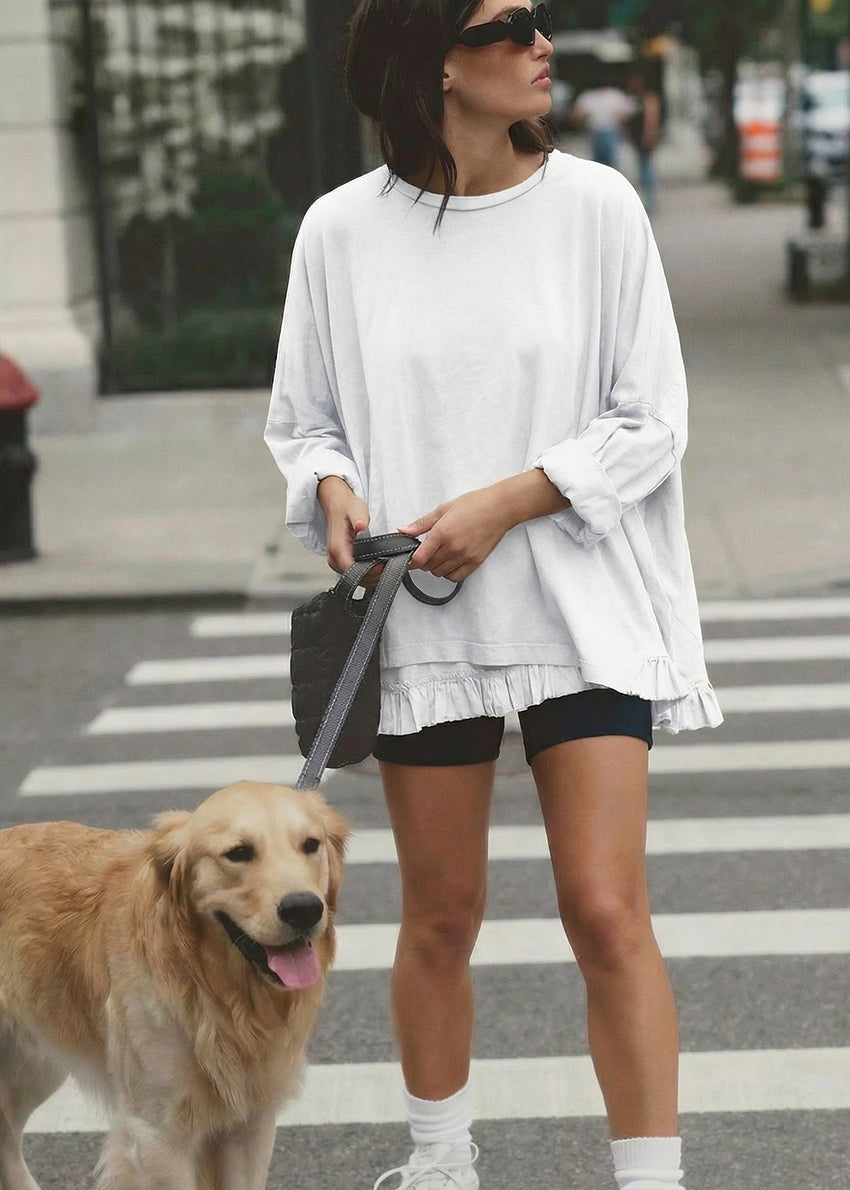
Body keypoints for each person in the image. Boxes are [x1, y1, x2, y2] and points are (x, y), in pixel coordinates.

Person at [264, 3, 723, 1188]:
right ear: (434, 64)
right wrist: (331, 490)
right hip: (420, 609)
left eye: (537, 19)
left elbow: (652, 418)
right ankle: (440, 1160)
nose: (541, 42)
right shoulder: (340, 231)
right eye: (510, 23)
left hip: (580, 601)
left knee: (606, 908)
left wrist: (511, 499)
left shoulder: (596, 210)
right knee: (441, 913)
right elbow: (306, 418)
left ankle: (650, 1178)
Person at [570, 70, 635, 170]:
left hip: (596, 131)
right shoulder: (615, 95)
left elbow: (576, 115)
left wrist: (580, 127)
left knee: (598, 165)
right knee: (612, 163)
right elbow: (624, 114)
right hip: (611, 130)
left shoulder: (589, 96)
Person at [625, 66, 662, 217]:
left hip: (645, 140)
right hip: (638, 140)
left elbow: (651, 119)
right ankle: (649, 200)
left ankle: (651, 202)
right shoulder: (636, 99)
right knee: (643, 169)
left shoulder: (648, 98)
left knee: (647, 170)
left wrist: (648, 136)